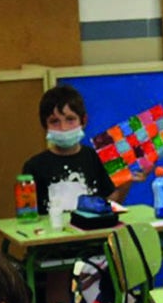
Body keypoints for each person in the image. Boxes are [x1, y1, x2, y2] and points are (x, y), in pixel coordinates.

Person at [22, 85, 134, 214]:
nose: (63, 128)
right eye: (54, 121)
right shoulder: (34, 166)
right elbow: (28, 215)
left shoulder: (95, 158)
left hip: (90, 233)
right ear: (44, 125)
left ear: (83, 120)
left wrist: (127, 181)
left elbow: (109, 204)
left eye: (70, 119)